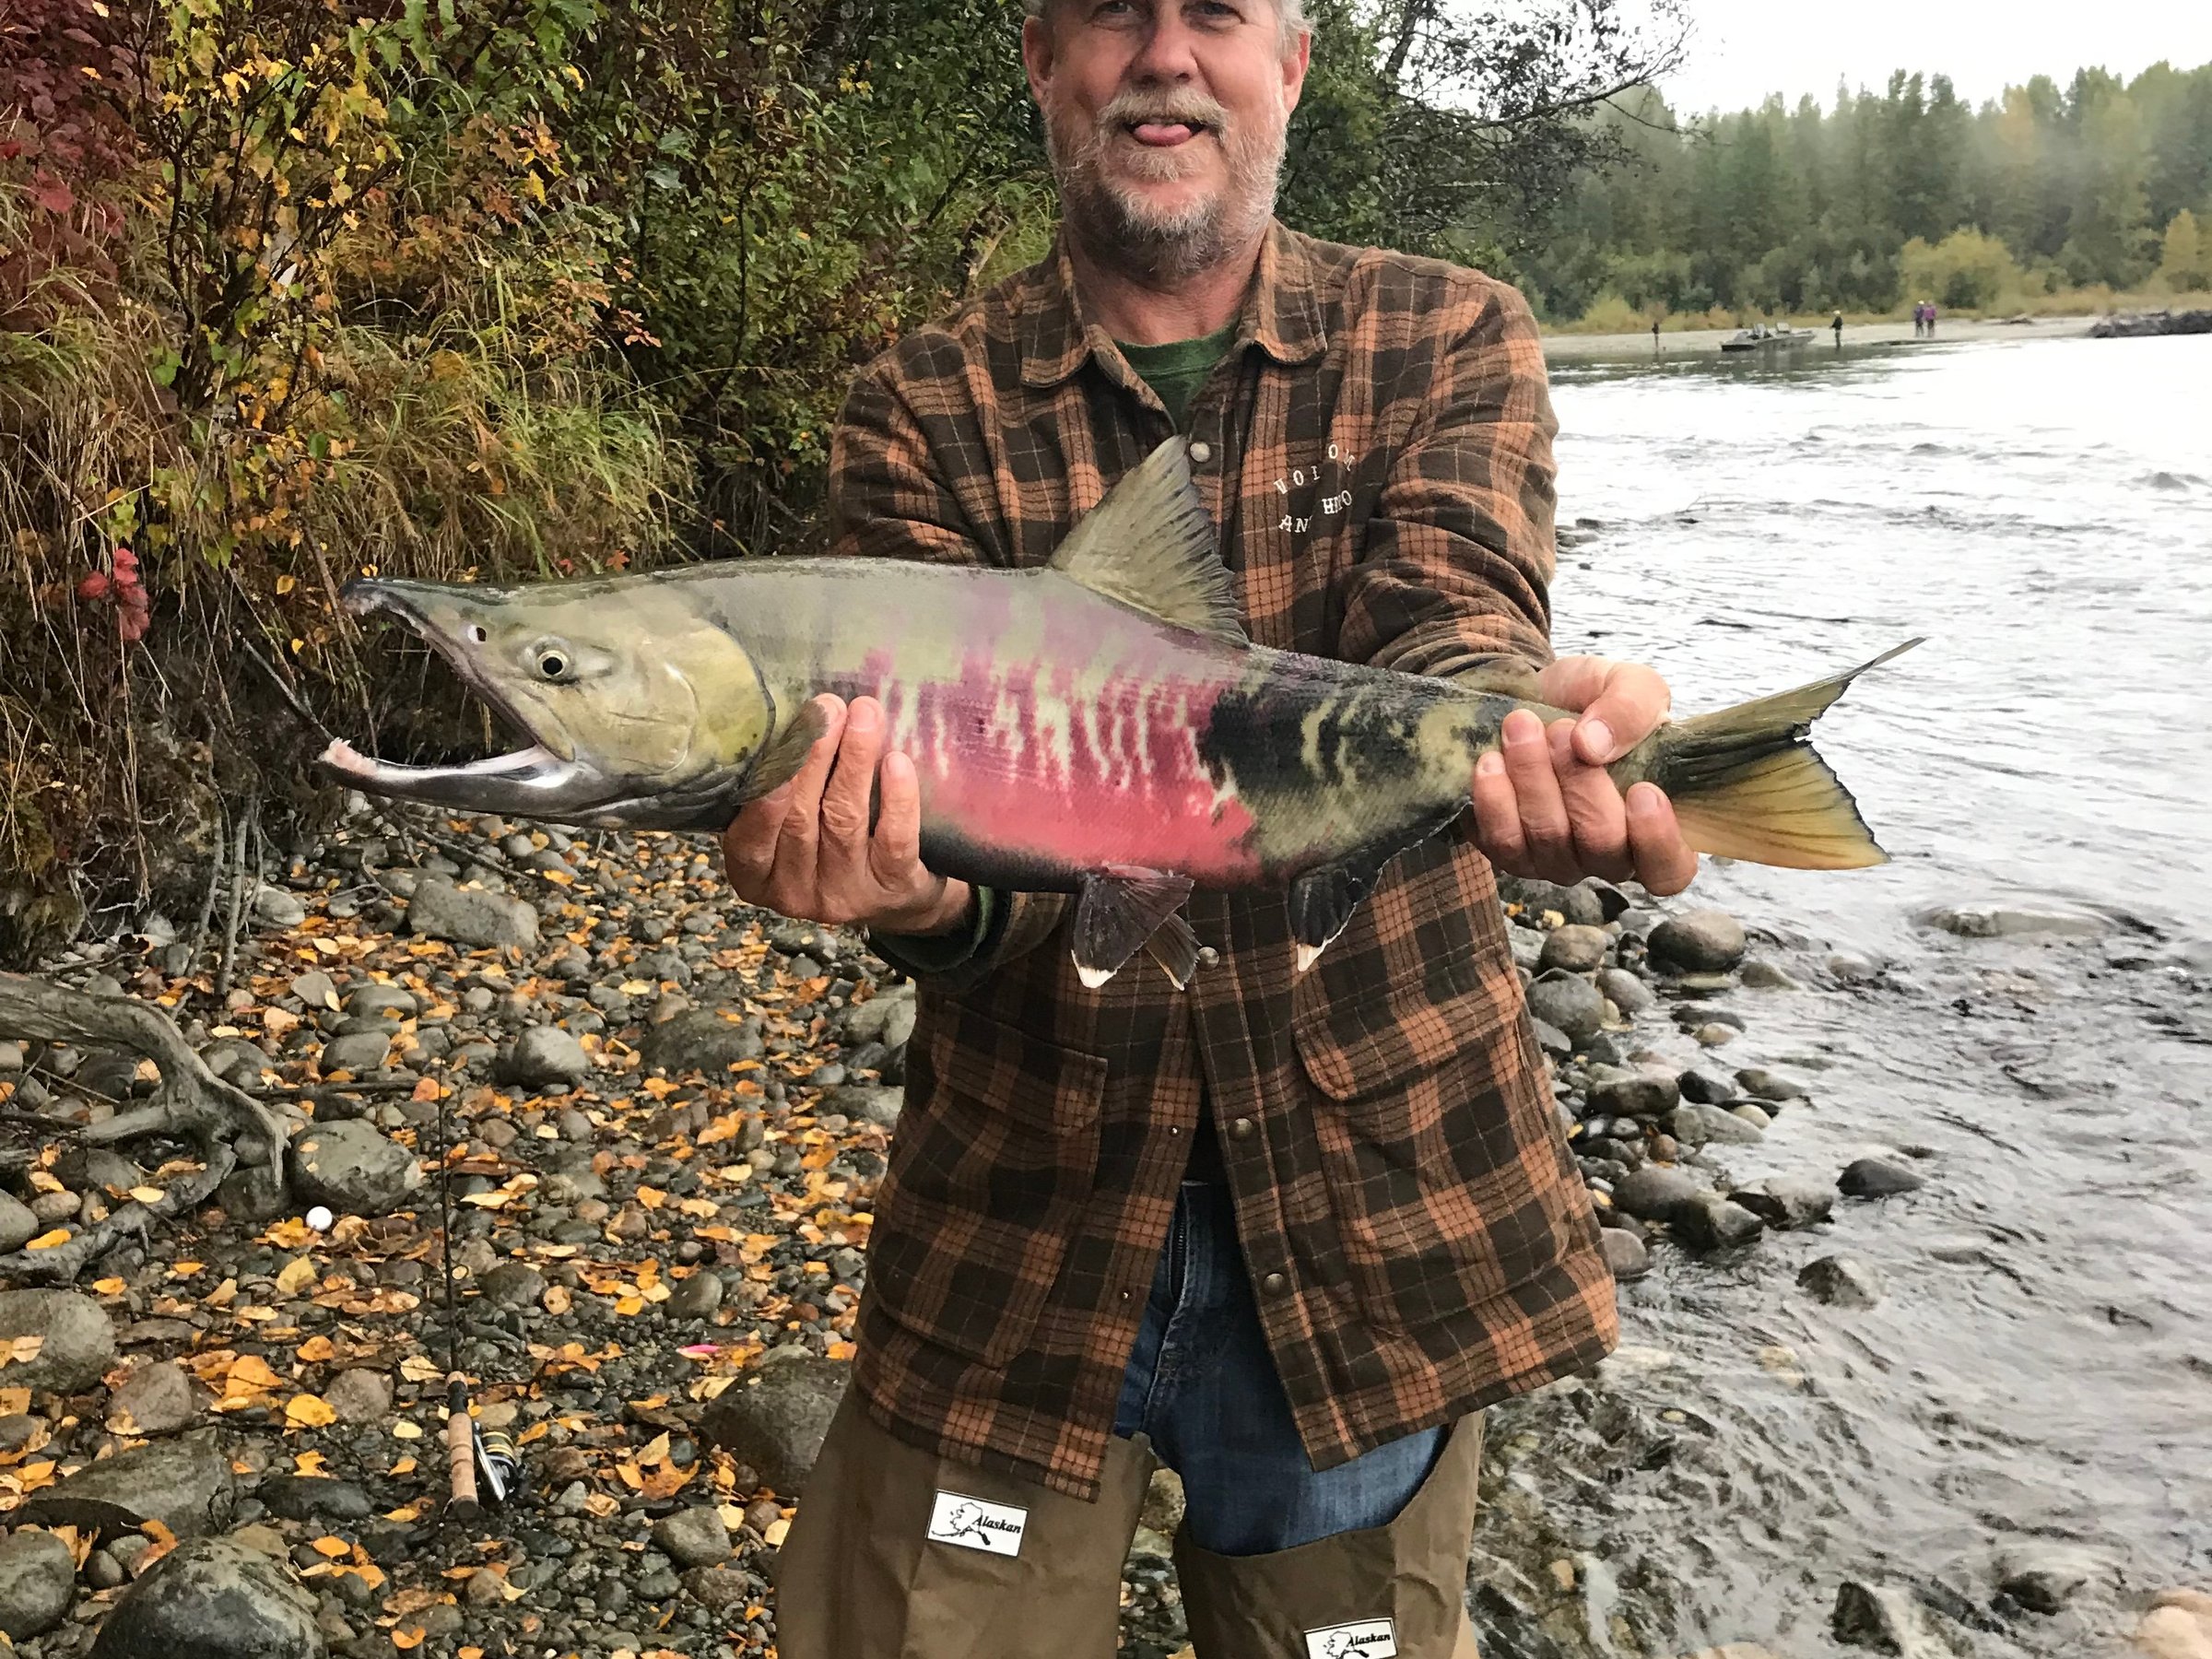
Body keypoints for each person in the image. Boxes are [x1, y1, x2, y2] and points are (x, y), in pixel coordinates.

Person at [721, 1, 1700, 1653]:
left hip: (1380, 1217)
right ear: (1042, 60)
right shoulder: (920, 405)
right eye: (1114, 11)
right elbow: (989, 866)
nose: (1165, 53)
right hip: (1015, 1228)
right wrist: (904, 896)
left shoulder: (1448, 334)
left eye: (1218, 12)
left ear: (1293, 63)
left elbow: (1440, 629)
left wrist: (1527, 726)